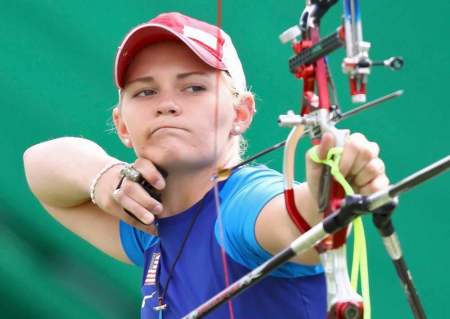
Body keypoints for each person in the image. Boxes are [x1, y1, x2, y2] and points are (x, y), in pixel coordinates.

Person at [23, 12, 389, 319]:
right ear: (122, 126)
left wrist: (327, 191)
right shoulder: (146, 222)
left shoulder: (241, 206)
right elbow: (39, 165)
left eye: (194, 88)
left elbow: (298, 223)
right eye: (146, 91)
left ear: (241, 113)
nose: (166, 104)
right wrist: (104, 179)